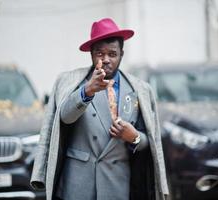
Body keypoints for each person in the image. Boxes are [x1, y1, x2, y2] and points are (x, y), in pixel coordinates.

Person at [30, 18, 169, 200]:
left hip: (117, 185)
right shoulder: (73, 83)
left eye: (112, 54)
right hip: (77, 185)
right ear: (91, 54)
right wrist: (87, 91)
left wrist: (133, 136)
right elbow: (64, 118)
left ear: (121, 54)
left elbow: (149, 140)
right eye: (99, 54)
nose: (105, 60)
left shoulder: (139, 90)